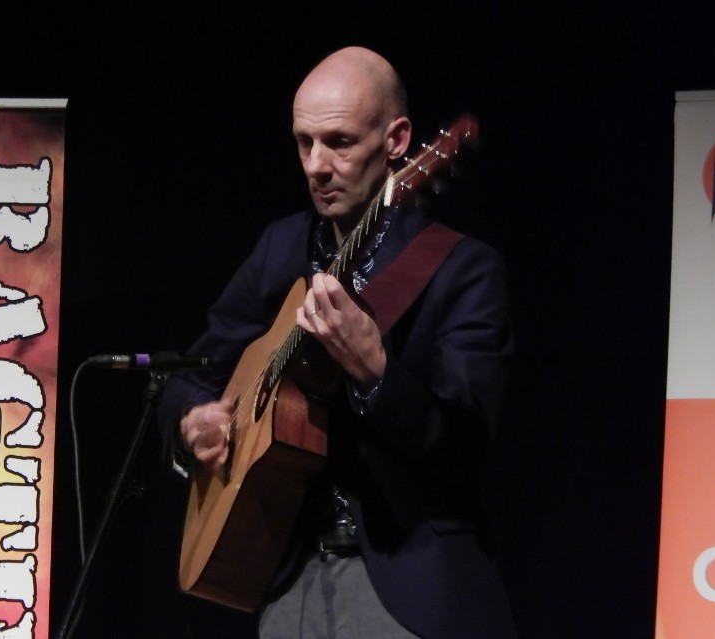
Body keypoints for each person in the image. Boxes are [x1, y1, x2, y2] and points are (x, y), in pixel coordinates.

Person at [156, 45, 517, 639]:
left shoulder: (461, 269)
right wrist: (193, 423)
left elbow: (465, 447)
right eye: (304, 143)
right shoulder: (280, 249)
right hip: (285, 576)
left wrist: (376, 372)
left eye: (340, 143)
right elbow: (192, 372)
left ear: (397, 140)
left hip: (403, 587)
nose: (317, 166)